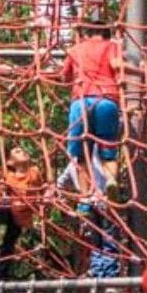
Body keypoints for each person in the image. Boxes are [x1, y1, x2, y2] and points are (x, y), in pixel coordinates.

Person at [61, 19, 125, 194]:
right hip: (106, 101)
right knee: (108, 152)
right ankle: (111, 180)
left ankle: (85, 196)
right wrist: (140, 71)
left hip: (81, 102)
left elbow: (64, 77)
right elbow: (117, 65)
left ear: (86, 34)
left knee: (81, 157)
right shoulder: (110, 46)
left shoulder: (75, 49)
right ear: (106, 34)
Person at [0, 146, 44, 273]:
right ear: (11, 162)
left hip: (21, 217)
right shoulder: (8, 176)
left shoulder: (34, 172)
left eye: (23, 150)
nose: (24, 151)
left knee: (9, 244)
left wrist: (40, 206)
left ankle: (2, 274)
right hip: (8, 210)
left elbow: (42, 191)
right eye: (17, 151)